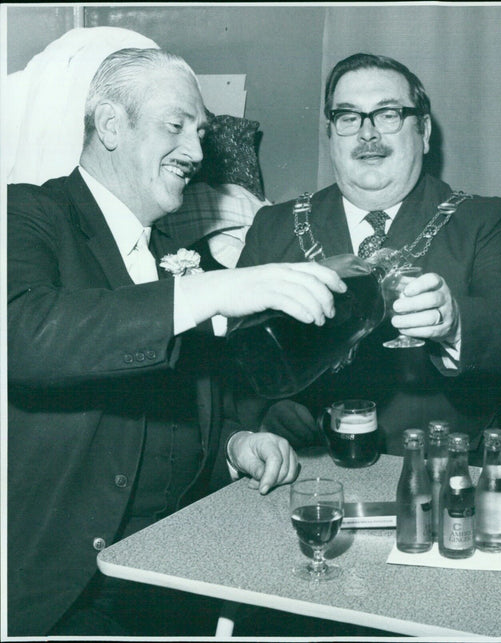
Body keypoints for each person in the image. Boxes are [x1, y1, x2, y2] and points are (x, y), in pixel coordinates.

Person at [5, 47, 348, 637]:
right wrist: (211, 291)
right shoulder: (28, 214)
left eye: (200, 131)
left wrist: (235, 444)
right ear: (111, 125)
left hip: (176, 568)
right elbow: (24, 336)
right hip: (66, 587)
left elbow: (186, 411)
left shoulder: (173, 256)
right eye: (176, 126)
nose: (195, 152)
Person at [234, 53, 501, 459]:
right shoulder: (273, 226)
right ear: (331, 133)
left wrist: (454, 323)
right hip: (302, 472)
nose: (367, 134)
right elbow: (231, 364)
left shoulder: (480, 219)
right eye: (348, 117)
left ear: (425, 131)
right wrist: (261, 420)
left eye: (387, 115)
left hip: (438, 476)